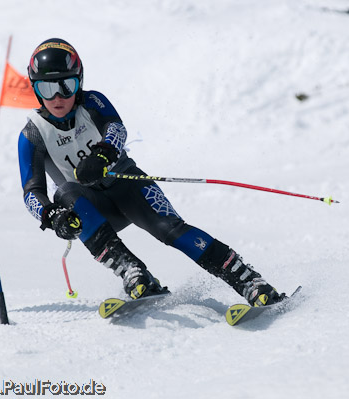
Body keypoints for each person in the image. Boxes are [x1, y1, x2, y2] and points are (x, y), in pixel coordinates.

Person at [18, 38, 285, 306]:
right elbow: (32, 192)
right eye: (47, 88)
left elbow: (116, 129)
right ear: (36, 89)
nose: (58, 97)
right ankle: (133, 273)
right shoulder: (32, 134)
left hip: (128, 188)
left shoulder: (92, 102)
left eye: (66, 85)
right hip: (94, 211)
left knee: (171, 230)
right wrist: (51, 215)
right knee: (64, 192)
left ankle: (249, 280)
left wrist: (102, 154)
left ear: (80, 81)